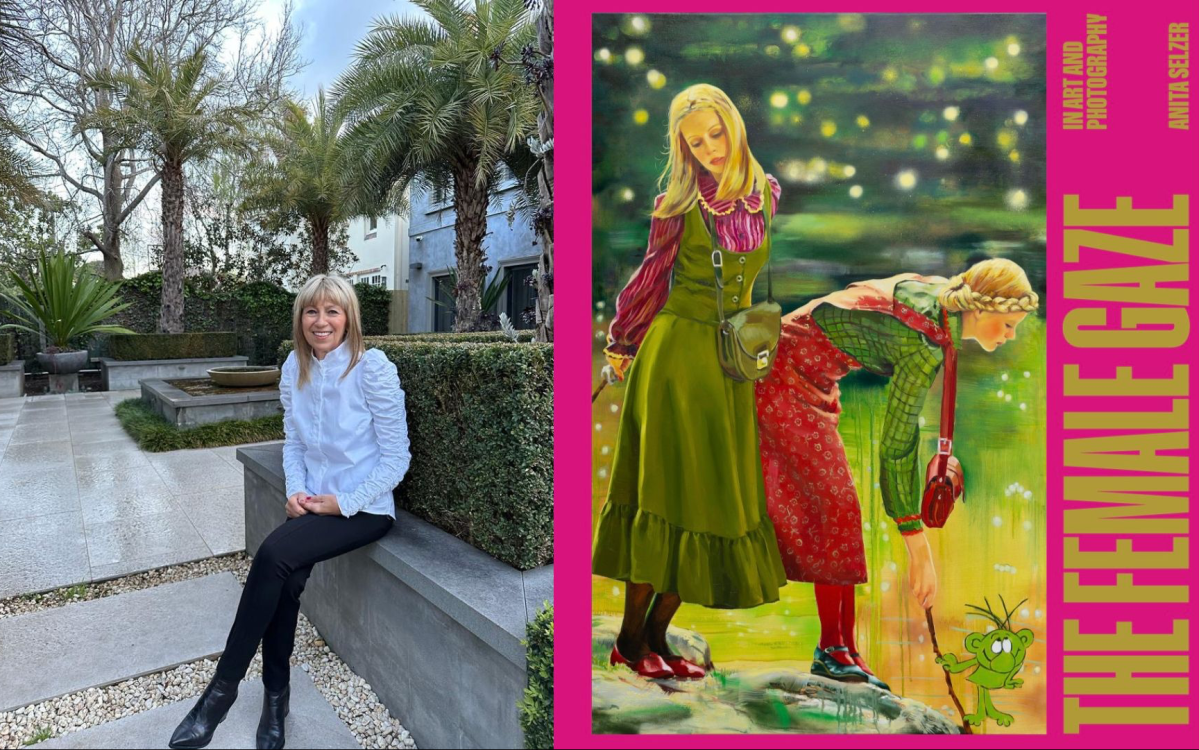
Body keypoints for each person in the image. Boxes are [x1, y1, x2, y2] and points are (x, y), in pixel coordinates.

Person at [755, 258, 1038, 691]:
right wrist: (918, 547)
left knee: (839, 509)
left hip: (814, 378)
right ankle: (833, 650)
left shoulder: (942, 308)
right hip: (782, 376)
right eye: (1007, 324)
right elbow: (896, 444)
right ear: (978, 310)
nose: (1010, 335)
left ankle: (841, 649)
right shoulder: (922, 344)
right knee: (836, 507)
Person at [592, 83, 788, 681]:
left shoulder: (765, 195)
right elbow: (651, 279)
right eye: (694, 140)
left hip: (729, 369)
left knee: (711, 502)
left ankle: (656, 634)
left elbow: (759, 282)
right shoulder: (677, 204)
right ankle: (630, 638)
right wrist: (622, 344)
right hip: (677, 365)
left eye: (715, 133)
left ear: (733, 125)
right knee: (665, 498)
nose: (708, 148)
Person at [169, 274, 411, 749]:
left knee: (272, 557)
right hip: (312, 505)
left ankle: (218, 696)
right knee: (287, 583)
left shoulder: (372, 369)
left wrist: (345, 502)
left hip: (363, 508)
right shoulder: (293, 368)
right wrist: (296, 492)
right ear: (301, 319)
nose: (321, 322)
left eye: (332, 311)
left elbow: (397, 457)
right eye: (311, 312)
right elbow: (295, 443)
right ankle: (274, 703)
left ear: (349, 318)